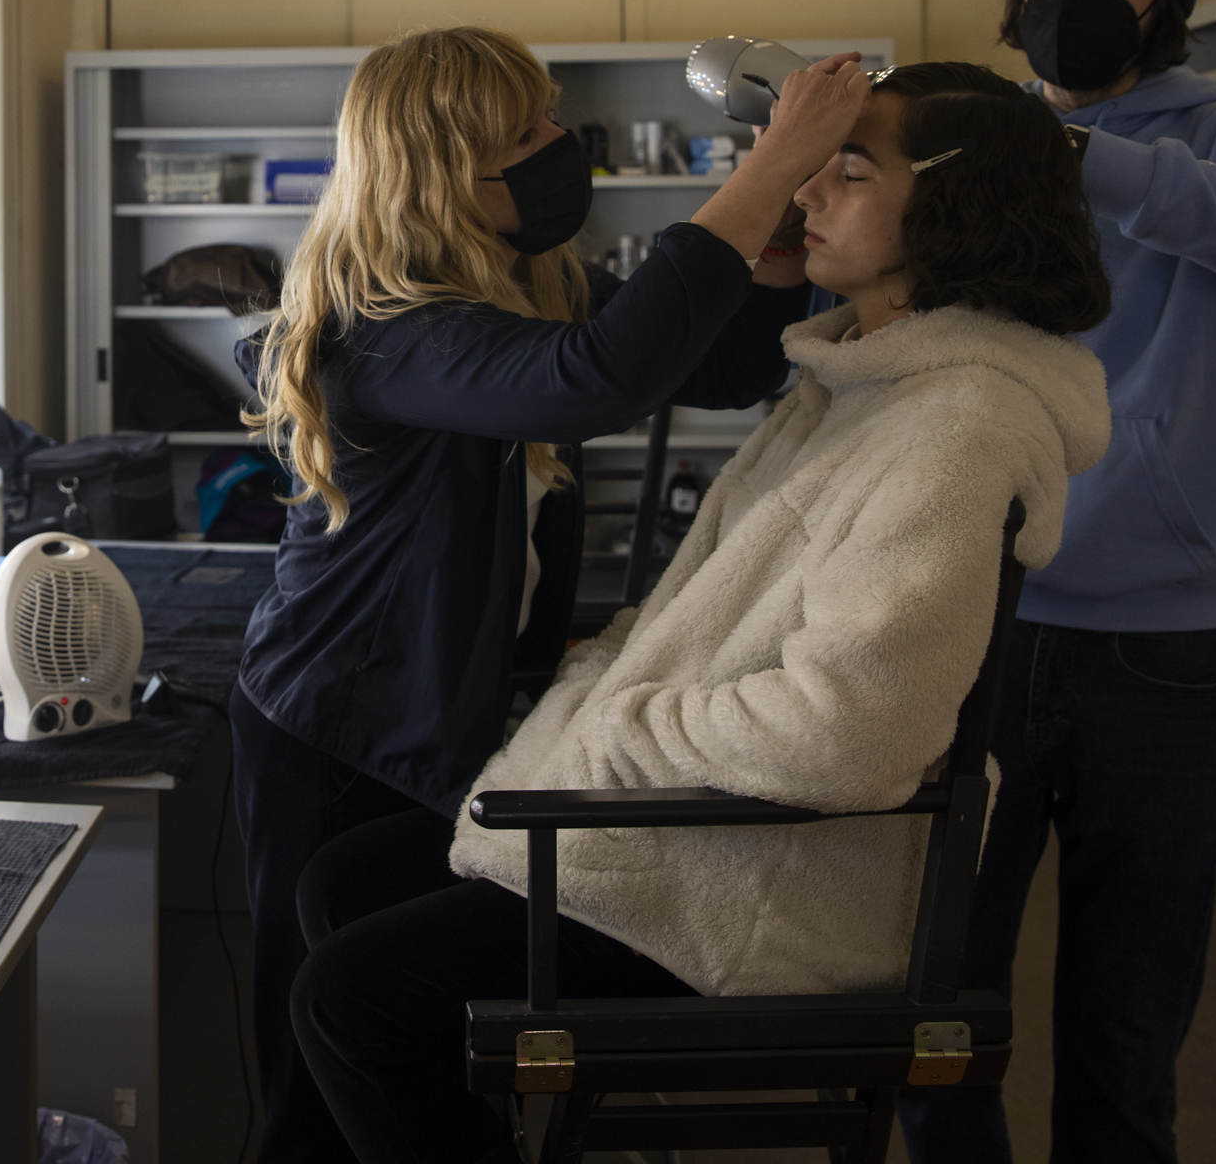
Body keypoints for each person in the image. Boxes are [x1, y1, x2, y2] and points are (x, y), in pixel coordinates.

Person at [286, 63, 1115, 1164]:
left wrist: (621, 725)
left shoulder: (955, 427)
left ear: (958, 206)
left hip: (755, 888)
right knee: (344, 883)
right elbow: (610, 386)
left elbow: (851, 730)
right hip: (687, 812)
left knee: (352, 998)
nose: (807, 193)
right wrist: (607, 699)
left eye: (847, 170)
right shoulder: (864, 381)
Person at [232, 25, 869, 1162]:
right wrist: (772, 165)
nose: (555, 144)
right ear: (440, 174)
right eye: (520, 137)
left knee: (416, 1035)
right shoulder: (387, 323)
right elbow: (595, 380)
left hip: (447, 706)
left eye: (546, 117)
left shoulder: (524, 279)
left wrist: (775, 235)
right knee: (323, 1060)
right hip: (344, 723)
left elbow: (718, 363)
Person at [890, 0, 1216, 1163]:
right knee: (935, 1006)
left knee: (1128, 1032)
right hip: (971, 622)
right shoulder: (967, 128)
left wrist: (1079, 155)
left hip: (1159, 651)